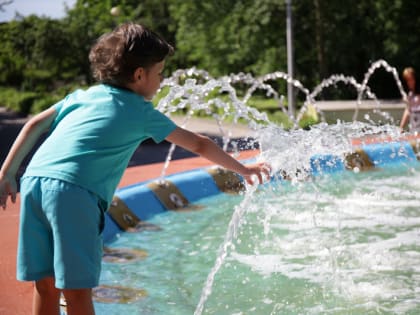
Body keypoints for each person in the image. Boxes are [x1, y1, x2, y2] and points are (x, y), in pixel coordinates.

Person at [0, 23, 270, 315]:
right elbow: (200, 145)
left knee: (45, 284)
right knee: (77, 292)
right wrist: (243, 169)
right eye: (160, 72)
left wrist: (8, 172)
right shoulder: (140, 112)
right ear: (140, 75)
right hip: (73, 195)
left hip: (33, 183)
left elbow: (34, 123)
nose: (162, 79)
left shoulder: (82, 96)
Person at [399, 67, 420, 133]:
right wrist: (401, 128)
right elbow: (408, 110)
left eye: (411, 79)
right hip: (414, 129)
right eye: (407, 80)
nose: (409, 82)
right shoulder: (410, 94)